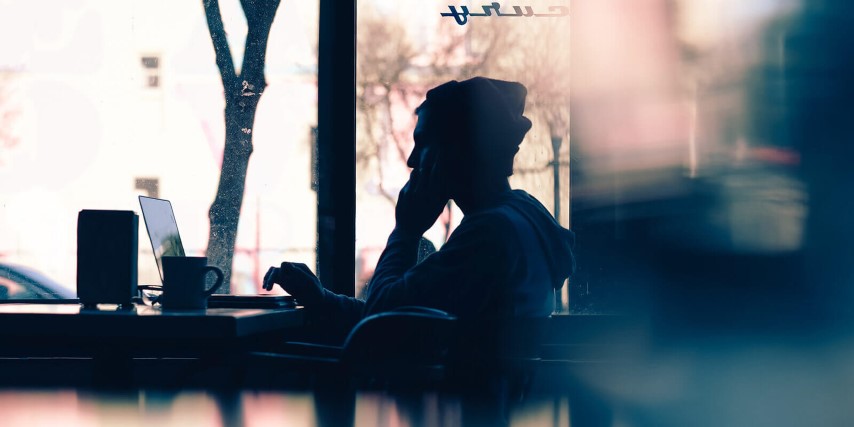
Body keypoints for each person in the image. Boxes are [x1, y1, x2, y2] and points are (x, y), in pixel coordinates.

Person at [263, 77, 575, 341]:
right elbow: (403, 311)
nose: (413, 160)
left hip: (449, 407)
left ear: (461, 149)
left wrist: (406, 232)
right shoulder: (520, 217)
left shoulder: (489, 234)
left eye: (423, 142)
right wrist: (321, 299)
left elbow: (379, 322)